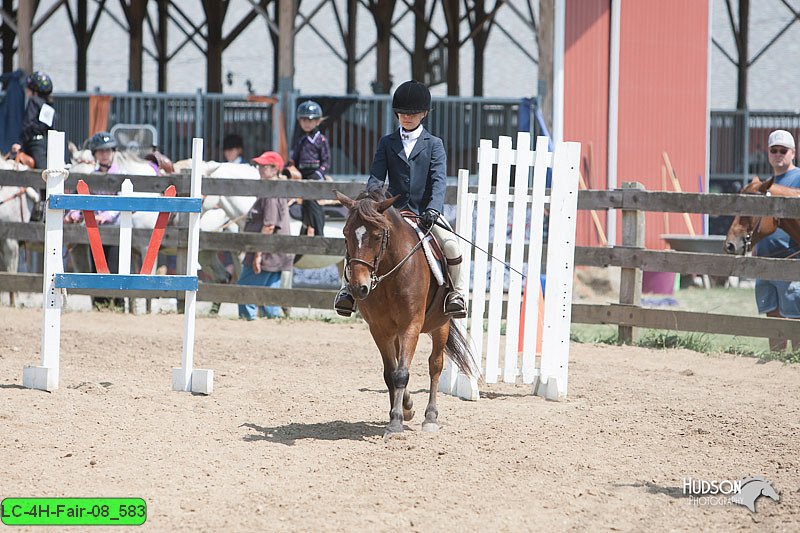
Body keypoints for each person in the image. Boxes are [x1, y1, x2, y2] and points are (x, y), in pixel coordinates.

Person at [333, 80, 467, 319]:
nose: (407, 118)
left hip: (424, 213)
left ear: (424, 113)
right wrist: (373, 204)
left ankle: (455, 294)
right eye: (403, 113)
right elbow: (376, 178)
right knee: (359, 243)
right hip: (390, 213)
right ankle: (348, 292)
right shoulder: (387, 142)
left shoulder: (434, 145)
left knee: (450, 245)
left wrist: (433, 210)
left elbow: (438, 181)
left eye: (413, 114)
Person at [64, 131, 124, 310]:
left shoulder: (121, 174)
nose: (104, 154)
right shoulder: (91, 176)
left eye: (107, 151)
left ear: (113, 152)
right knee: (97, 267)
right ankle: (99, 304)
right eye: (100, 151)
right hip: (95, 230)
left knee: (114, 268)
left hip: (115, 229)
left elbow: (120, 203)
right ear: (95, 154)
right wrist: (74, 213)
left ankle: (118, 304)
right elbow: (83, 198)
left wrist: (104, 216)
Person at [754, 129, 800, 351]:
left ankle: (795, 361)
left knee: (795, 314)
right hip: (765, 260)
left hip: (790, 258)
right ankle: (777, 360)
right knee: (772, 315)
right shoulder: (766, 184)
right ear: (769, 154)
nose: (778, 154)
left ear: (793, 153)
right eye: (774, 150)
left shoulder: (798, 177)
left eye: (783, 150)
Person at [236, 151, 294, 320]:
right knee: (269, 296)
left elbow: (268, 226)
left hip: (267, 252)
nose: (259, 169)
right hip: (277, 252)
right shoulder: (274, 190)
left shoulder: (270, 192)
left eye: (263, 166)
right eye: (258, 166)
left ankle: (248, 321)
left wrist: (257, 255)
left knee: (244, 289)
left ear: (275, 169)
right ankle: (272, 326)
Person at [288, 100, 330, 236]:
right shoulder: (301, 140)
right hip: (301, 175)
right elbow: (294, 159)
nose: (306, 123)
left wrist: (318, 174)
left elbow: (326, 162)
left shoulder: (321, 140)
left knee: (312, 201)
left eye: (310, 120)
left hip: (315, 175)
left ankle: (319, 233)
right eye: (303, 120)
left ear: (318, 121)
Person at [10, 71, 55, 169]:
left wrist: (20, 143)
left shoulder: (34, 101)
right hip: (46, 143)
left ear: (34, 90)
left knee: (42, 173)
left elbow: (28, 124)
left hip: (34, 144)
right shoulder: (48, 104)